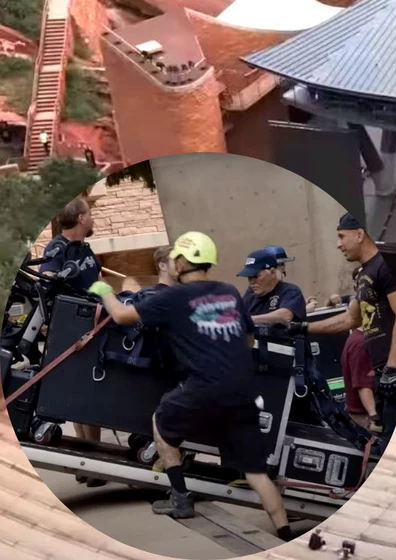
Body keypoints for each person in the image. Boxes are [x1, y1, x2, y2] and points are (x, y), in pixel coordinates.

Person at [88, 232, 291, 536]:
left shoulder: (172, 297)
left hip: (203, 387)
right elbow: (248, 338)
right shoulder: (230, 292)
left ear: (182, 262)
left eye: (174, 260)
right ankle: (286, 532)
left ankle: (180, 498)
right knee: (256, 472)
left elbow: (120, 316)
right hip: (242, 391)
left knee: (160, 421)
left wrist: (104, 289)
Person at [293, 213, 396, 446]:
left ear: (359, 234)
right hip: (383, 372)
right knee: (382, 441)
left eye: (341, 236)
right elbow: (350, 319)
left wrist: (393, 367)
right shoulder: (365, 274)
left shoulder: (383, 266)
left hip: (395, 369)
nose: (338, 244)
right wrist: (304, 327)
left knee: (388, 443)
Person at [41, 196, 104, 486]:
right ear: (80, 218)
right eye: (89, 214)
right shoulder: (58, 248)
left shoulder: (84, 248)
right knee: (85, 394)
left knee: (89, 393)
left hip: (96, 322)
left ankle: (90, 461)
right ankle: (91, 460)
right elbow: (47, 283)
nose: (92, 218)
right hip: (74, 328)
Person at [238, 249, 306, 326]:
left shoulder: (290, 291)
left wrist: (248, 320)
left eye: (256, 276)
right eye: (249, 277)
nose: (252, 281)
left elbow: (285, 316)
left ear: (272, 272)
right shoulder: (250, 295)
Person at [341, 328, 376, 430]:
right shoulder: (361, 344)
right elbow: (363, 386)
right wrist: (374, 418)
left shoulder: (357, 338)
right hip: (365, 419)